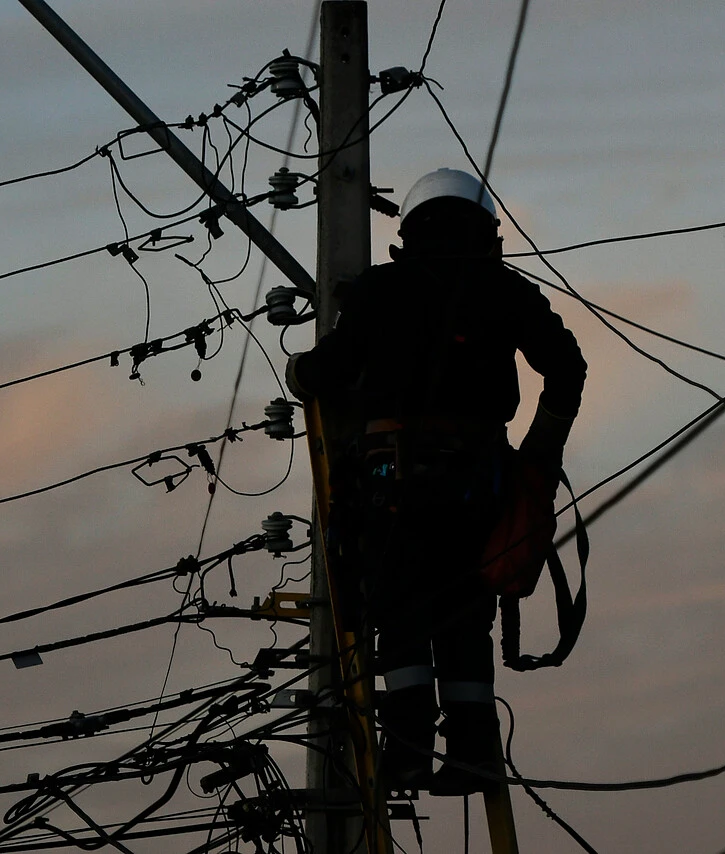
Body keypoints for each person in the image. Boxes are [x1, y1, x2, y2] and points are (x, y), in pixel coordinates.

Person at [286, 168, 586, 796]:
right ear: (489, 232)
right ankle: (473, 751)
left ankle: (408, 753)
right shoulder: (507, 291)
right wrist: (541, 448)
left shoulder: (382, 289)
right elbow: (567, 367)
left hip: (390, 488)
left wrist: (300, 370)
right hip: (482, 488)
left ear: (411, 229)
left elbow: (328, 372)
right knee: (464, 614)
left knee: (399, 610)